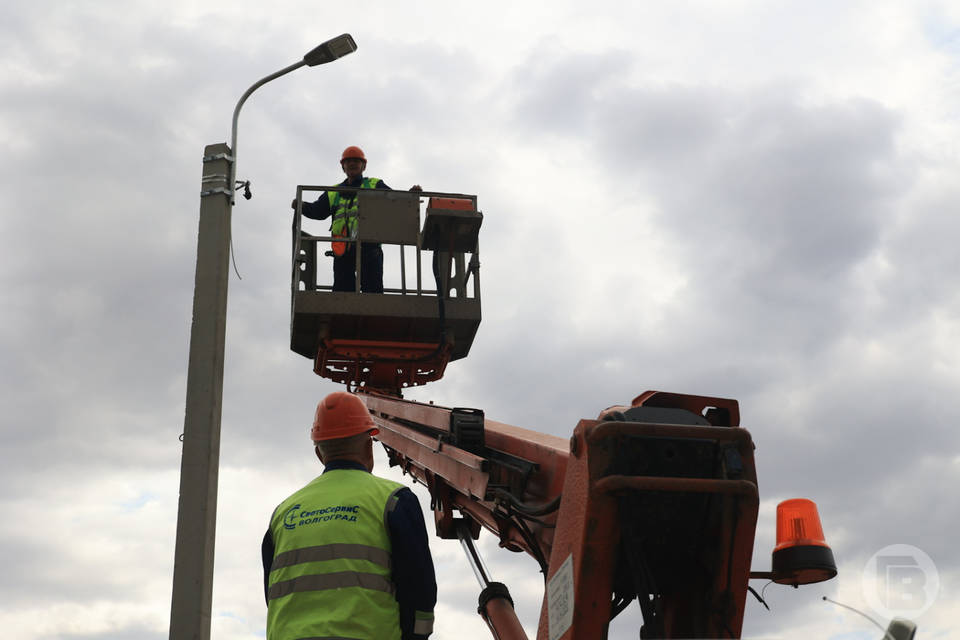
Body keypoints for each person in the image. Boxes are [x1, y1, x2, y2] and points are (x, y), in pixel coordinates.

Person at [262, 391, 437, 640]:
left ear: (319, 454)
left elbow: (273, 593)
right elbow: (418, 590)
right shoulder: (394, 499)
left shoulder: (283, 512)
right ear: (369, 445)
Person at [294, 146, 421, 293]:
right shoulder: (334, 192)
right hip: (343, 251)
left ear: (364, 166)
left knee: (372, 292)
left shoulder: (374, 185)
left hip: (369, 248)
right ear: (343, 166)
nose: (352, 164)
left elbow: (394, 203)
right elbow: (318, 211)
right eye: (348, 161)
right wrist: (301, 206)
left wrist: (411, 197)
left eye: (356, 161)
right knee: (342, 293)